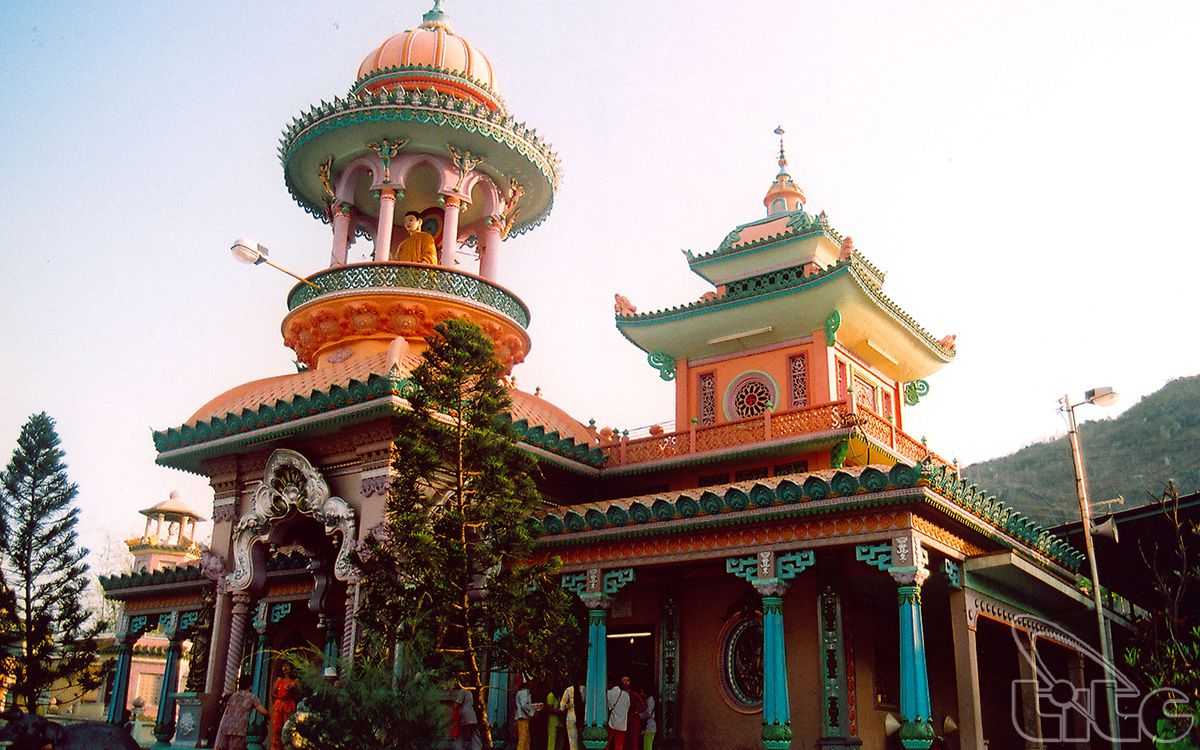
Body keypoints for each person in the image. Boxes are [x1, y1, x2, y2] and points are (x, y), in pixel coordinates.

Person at [214, 675, 269, 750]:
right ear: (250, 686)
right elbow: (263, 711)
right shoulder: (251, 697)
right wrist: (271, 716)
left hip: (226, 726)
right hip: (239, 729)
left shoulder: (233, 696)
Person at [268, 664, 300, 750]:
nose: (285, 668)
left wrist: (293, 689)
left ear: (291, 668)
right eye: (283, 666)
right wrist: (279, 698)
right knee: (276, 729)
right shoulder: (279, 680)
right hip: (279, 705)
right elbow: (273, 693)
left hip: (289, 704)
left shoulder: (295, 681)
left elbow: (299, 694)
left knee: (288, 729)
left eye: (287, 666)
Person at [605, 676, 631, 750]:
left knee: (607, 744)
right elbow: (627, 708)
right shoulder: (626, 695)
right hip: (622, 726)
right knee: (619, 746)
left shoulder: (610, 692)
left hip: (612, 723)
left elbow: (607, 705)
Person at [559, 679, 585, 750]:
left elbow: (562, 707)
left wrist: (569, 705)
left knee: (572, 742)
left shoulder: (568, 690)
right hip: (581, 718)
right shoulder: (584, 689)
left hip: (571, 717)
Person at [514, 678, 535, 750]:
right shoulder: (524, 692)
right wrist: (531, 712)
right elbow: (524, 705)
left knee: (526, 739)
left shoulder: (522, 692)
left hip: (523, 717)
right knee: (523, 739)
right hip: (523, 717)